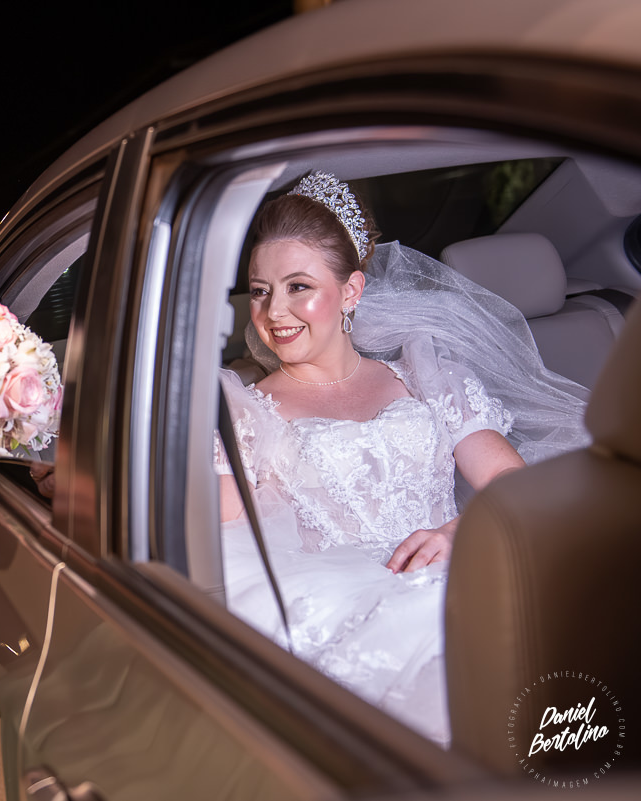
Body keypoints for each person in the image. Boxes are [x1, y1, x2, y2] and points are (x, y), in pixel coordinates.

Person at [215, 171, 590, 744]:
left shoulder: (426, 377)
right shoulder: (242, 410)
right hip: (344, 611)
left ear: (352, 290)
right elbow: (219, 537)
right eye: (261, 290)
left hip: (468, 572)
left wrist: (463, 532)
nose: (274, 311)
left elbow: (511, 483)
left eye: (298, 286)